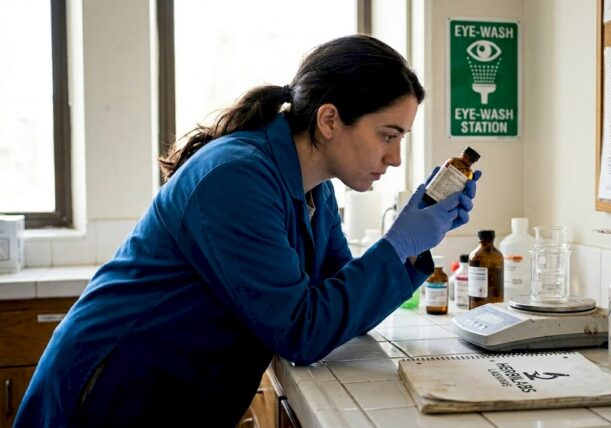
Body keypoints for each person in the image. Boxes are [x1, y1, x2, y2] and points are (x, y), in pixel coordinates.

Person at [15, 34, 481, 427]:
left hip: (174, 394)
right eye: (388, 134)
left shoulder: (315, 190)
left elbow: (337, 297)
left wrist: (411, 243)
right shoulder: (235, 176)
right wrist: (397, 243)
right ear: (329, 119)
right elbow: (302, 329)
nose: (395, 158)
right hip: (112, 394)